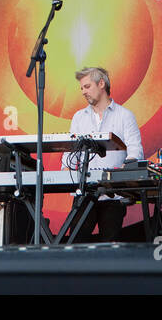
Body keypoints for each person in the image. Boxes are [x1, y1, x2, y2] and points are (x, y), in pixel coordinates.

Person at [60, 67, 143, 242]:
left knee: (110, 247)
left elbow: (135, 151)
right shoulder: (78, 118)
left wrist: (125, 169)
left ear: (101, 84)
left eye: (87, 86)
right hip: (84, 192)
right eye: (81, 88)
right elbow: (71, 152)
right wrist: (65, 168)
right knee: (75, 244)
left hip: (114, 194)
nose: (83, 92)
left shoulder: (125, 116)